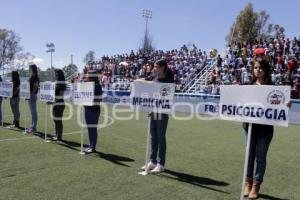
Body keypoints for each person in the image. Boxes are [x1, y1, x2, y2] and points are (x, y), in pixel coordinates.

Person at [243, 59, 274, 199]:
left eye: (261, 67)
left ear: (266, 69)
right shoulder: (248, 86)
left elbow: (279, 105)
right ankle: (248, 183)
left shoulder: (273, 88)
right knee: (249, 156)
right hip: (249, 127)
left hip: (265, 129)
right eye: (255, 67)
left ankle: (256, 185)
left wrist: (286, 104)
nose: (258, 70)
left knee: (260, 157)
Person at [142, 59, 174, 173]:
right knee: (153, 137)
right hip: (153, 111)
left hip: (162, 112)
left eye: (156, 67)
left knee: (160, 137)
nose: (154, 69)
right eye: (154, 66)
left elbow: (163, 94)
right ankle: (153, 161)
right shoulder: (155, 78)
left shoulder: (168, 80)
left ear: (163, 67)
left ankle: (161, 164)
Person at [84, 70, 102, 153]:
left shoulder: (97, 86)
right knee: (89, 128)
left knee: (92, 128)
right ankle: (91, 145)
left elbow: (98, 100)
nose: (86, 76)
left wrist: (89, 102)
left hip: (93, 110)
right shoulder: (88, 85)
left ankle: (93, 146)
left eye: (88, 75)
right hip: (88, 109)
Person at [52, 69, 66, 141]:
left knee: (58, 120)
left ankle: (59, 136)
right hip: (56, 103)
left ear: (58, 74)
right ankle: (57, 134)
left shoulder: (61, 83)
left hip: (59, 103)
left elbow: (61, 95)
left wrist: (53, 101)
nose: (54, 75)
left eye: (55, 73)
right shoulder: (56, 83)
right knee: (55, 119)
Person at [26, 64, 39, 133]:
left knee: (34, 112)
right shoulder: (32, 76)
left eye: (30, 68)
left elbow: (36, 86)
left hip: (32, 96)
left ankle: (34, 127)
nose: (29, 69)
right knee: (32, 112)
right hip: (30, 95)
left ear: (33, 69)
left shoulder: (35, 77)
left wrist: (31, 94)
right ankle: (32, 126)